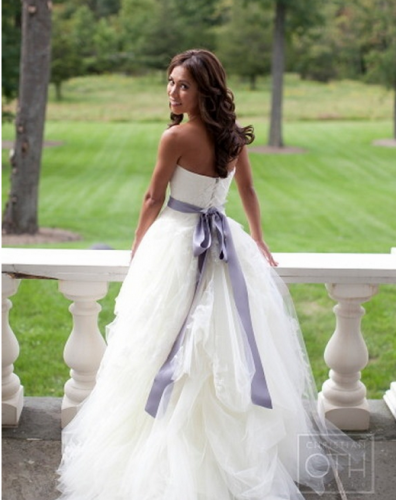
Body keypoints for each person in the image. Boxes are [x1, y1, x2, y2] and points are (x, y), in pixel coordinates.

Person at [57, 49, 357, 500]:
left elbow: (152, 199)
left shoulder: (174, 137)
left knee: (171, 341)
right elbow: (248, 189)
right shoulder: (234, 137)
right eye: (172, 82)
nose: (173, 92)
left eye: (184, 85)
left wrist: (138, 246)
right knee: (219, 342)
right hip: (224, 243)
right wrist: (255, 237)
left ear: (205, 90)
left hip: (178, 242)